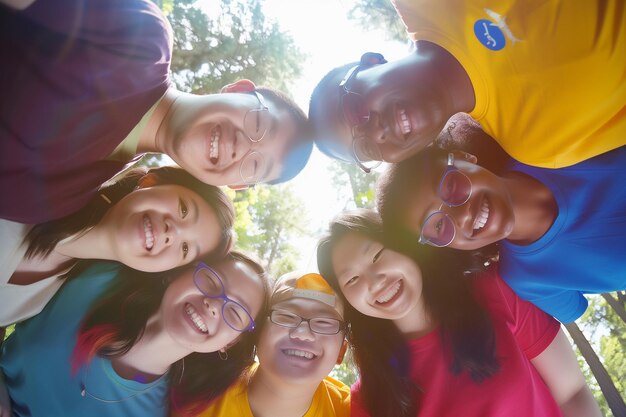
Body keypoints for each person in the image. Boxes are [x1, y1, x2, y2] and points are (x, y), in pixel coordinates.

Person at [0, 0, 312, 224]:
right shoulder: (143, 39)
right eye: (257, 122)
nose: (240, 146)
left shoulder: (69, 197)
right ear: (238, 89)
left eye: (254, 165)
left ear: (236, 185)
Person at [316, 209, 601, 417]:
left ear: (404, 248)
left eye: (377, 255)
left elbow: (572, 392)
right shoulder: (369, 399)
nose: (375, 280)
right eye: (352, 279)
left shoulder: (493, 291)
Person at [308, 1, 626, 172]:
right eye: (367, 148)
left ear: (371, 61)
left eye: (353, 110)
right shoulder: (537, 143)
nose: (376, 132)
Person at [0, 251, 270, 417]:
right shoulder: (100, 277)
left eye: (235, 313)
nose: (214, 305)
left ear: (230, 343)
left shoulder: (158, 411)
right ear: (179, 273)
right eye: (210, 280)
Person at [376, 144, 626, 323]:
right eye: (439, 226)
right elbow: (574, 310)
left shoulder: (547, 142)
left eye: (451, 185)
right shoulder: (526, 281)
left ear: (465, 157)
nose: (462, 216)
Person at [1, 165, 234, 327]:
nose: (172, 232)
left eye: (185, 249)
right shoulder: (26, 190)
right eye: (184, 209)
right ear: (150, 181)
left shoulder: (53, 297)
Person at [186, 271, 350, 417]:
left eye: (324, 323)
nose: (303, 333)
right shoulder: (197, 392)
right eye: (285, 316)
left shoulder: (353, 411)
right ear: (257, 333)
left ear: (341, 351)